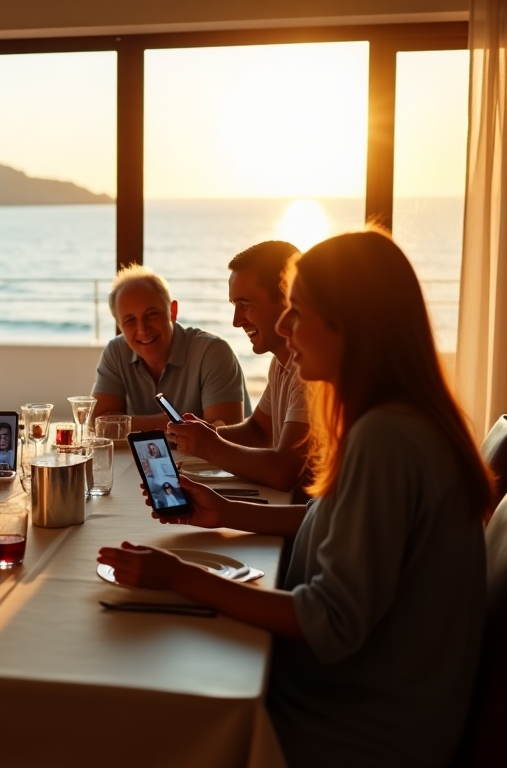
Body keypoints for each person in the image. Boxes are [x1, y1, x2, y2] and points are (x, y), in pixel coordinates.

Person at [98, 230, 493, 767]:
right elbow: (330, 519)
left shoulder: (385, 441)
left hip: (358, 726)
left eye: (298, 311)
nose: (283, 325)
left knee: (137, 712)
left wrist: (182, 578)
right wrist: (228, 511)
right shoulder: (400, 422)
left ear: (354, 325)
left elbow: (328, 620)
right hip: (377, 697)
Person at [166, 241, 311, 491]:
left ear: (287, 299)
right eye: (235, 306)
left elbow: (284, 471)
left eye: (246, 305)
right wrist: (206, 433)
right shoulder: (281, 364)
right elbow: (258, 430)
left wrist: (209, 446)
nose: (236, 321)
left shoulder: (310, 371)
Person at [91, 264, 248, 430]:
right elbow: (99, 424)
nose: (143, 329)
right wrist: (170, 422)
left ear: (172, 311)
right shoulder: (116, 351)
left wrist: (126, 424)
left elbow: (225, 434)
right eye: (130, 320)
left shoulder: (213, 352)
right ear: (119, 325)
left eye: (152, 314)